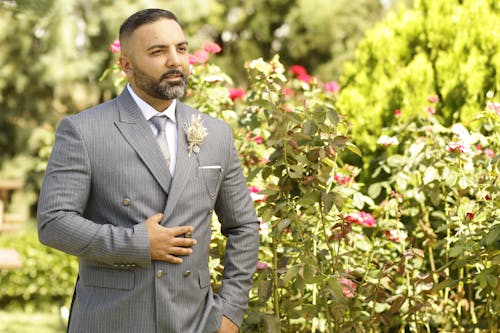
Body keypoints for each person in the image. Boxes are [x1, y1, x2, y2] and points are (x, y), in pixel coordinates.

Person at [37, 8, 260, 333]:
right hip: (112, 320)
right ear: (126, 65)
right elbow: (53, 223)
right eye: (158, 51)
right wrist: (137, 244)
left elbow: (243, 226)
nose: (175, 61)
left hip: (195, 321)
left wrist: (231, 312)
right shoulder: (84, 131)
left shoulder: (215, 133)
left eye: (181, 49)